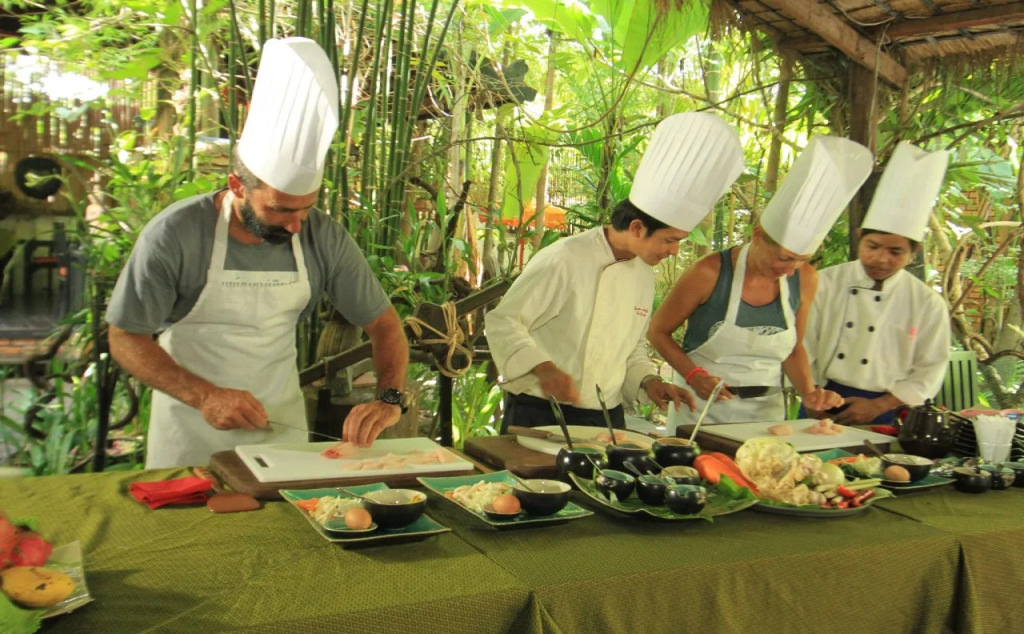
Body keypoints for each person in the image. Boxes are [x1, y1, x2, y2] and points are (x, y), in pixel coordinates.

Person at [107, 38, 410, 469]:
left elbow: (384, 325)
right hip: (189, 434)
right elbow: (125, 336)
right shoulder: (176, 235)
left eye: (306, 208)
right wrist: (205, 396)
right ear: (237, 187)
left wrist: (389, 398)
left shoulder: (323, 237)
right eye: (281, 210)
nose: (296, 225)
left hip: (280, 432)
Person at [485, 112, 745, 430]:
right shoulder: (564, 259)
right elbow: (503, 322)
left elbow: (631, 347)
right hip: (541, 413)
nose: (675, 251)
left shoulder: (643, 274)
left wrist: (649, 381)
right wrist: (542, 368)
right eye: (670, 240)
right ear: (637, 228)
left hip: (606, 417)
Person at [649, 136, 873, 427]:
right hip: (701, 411)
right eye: (784, 258)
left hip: (767, 415)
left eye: (801, 259)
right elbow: (658, 332)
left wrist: (810, 393)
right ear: (757, 236)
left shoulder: (805, 278)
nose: (790, 270)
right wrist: (694, 376)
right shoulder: (709, 272)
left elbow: (793, 349)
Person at [804, 142, 951, 425]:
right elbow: (801, 345)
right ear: (860, 236)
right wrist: (811, 395)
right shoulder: (826, 282)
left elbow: (931, 368)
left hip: (888, 407)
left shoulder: (926, 303)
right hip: (820, 397)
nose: (881, 259)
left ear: (915, 253)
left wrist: (879, 405)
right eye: (872, 246)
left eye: (895, 252)